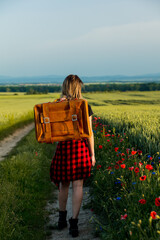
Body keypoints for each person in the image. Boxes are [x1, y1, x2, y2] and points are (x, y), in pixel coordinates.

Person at [50, 74, 95, 238]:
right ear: (78, 88)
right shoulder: (83, 106)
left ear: (64, 87)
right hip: (80, 149)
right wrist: (92, 155)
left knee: (64, 184)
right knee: (78, 186)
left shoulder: (56, 105)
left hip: (64, 148)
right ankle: (74, 224)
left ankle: (61, 219)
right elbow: (89, 133)